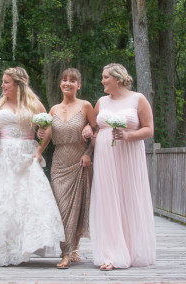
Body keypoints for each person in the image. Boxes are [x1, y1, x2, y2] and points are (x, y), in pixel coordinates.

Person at [0, 67, 65, 266]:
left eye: (6, 82)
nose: (2, 85)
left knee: (27, 199)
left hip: (27, 154)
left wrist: (39, 150)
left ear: (18, 84)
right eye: (2, 82)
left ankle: (24, 246)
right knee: (2, 200)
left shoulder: (34, 104)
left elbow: (47, 127)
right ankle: (2, 247)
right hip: (2, 156)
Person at [90, 63, 156, 271]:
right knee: (108, 201)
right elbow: (93, 126)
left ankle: (132, 249)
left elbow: (149, 129)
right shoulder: (101, 102)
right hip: (105, 158)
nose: (102, 81)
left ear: (117, 79)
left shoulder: (138, 99)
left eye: (105, 77)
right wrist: (87, 130)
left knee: (128, 198)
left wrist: (128, 135)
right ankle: (111, 253)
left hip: (129, 156)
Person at [38, 68, 96, 269]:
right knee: (63, 209)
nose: (68, 83)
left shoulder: (86, 106)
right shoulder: (53, 109)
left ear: (78, 85)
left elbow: (97, 130)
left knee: (78, 208)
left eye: (72, 80)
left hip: (80, 161)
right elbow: (46, 134)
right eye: (64, 80)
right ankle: (69, 249)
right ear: (60, 83)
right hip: (59, 163)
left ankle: (67, 253)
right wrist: (40, 138)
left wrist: (88, 152)